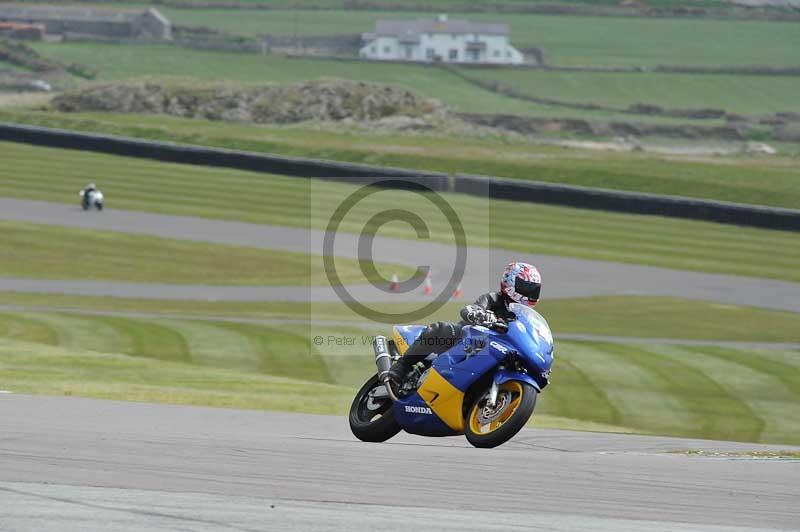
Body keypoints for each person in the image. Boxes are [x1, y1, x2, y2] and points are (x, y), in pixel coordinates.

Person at [385, 261, 542, 384]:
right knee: (441, 328)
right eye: (527, 288)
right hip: (468, 340)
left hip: (496, 350)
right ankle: (402, 366)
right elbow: (470, 309)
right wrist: (480, 315)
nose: (530, 294)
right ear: (510, 282)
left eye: (533, 289)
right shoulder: (493, 299)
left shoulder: (523, 316)